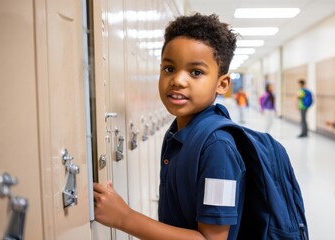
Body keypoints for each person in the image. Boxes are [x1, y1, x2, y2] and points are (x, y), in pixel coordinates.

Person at [93, 13, 245, 240]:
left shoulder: (218, 149)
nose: (178, 80)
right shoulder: (179, 132)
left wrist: (124, 217)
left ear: (222, 83)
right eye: (169, 69)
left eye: (196, 72)